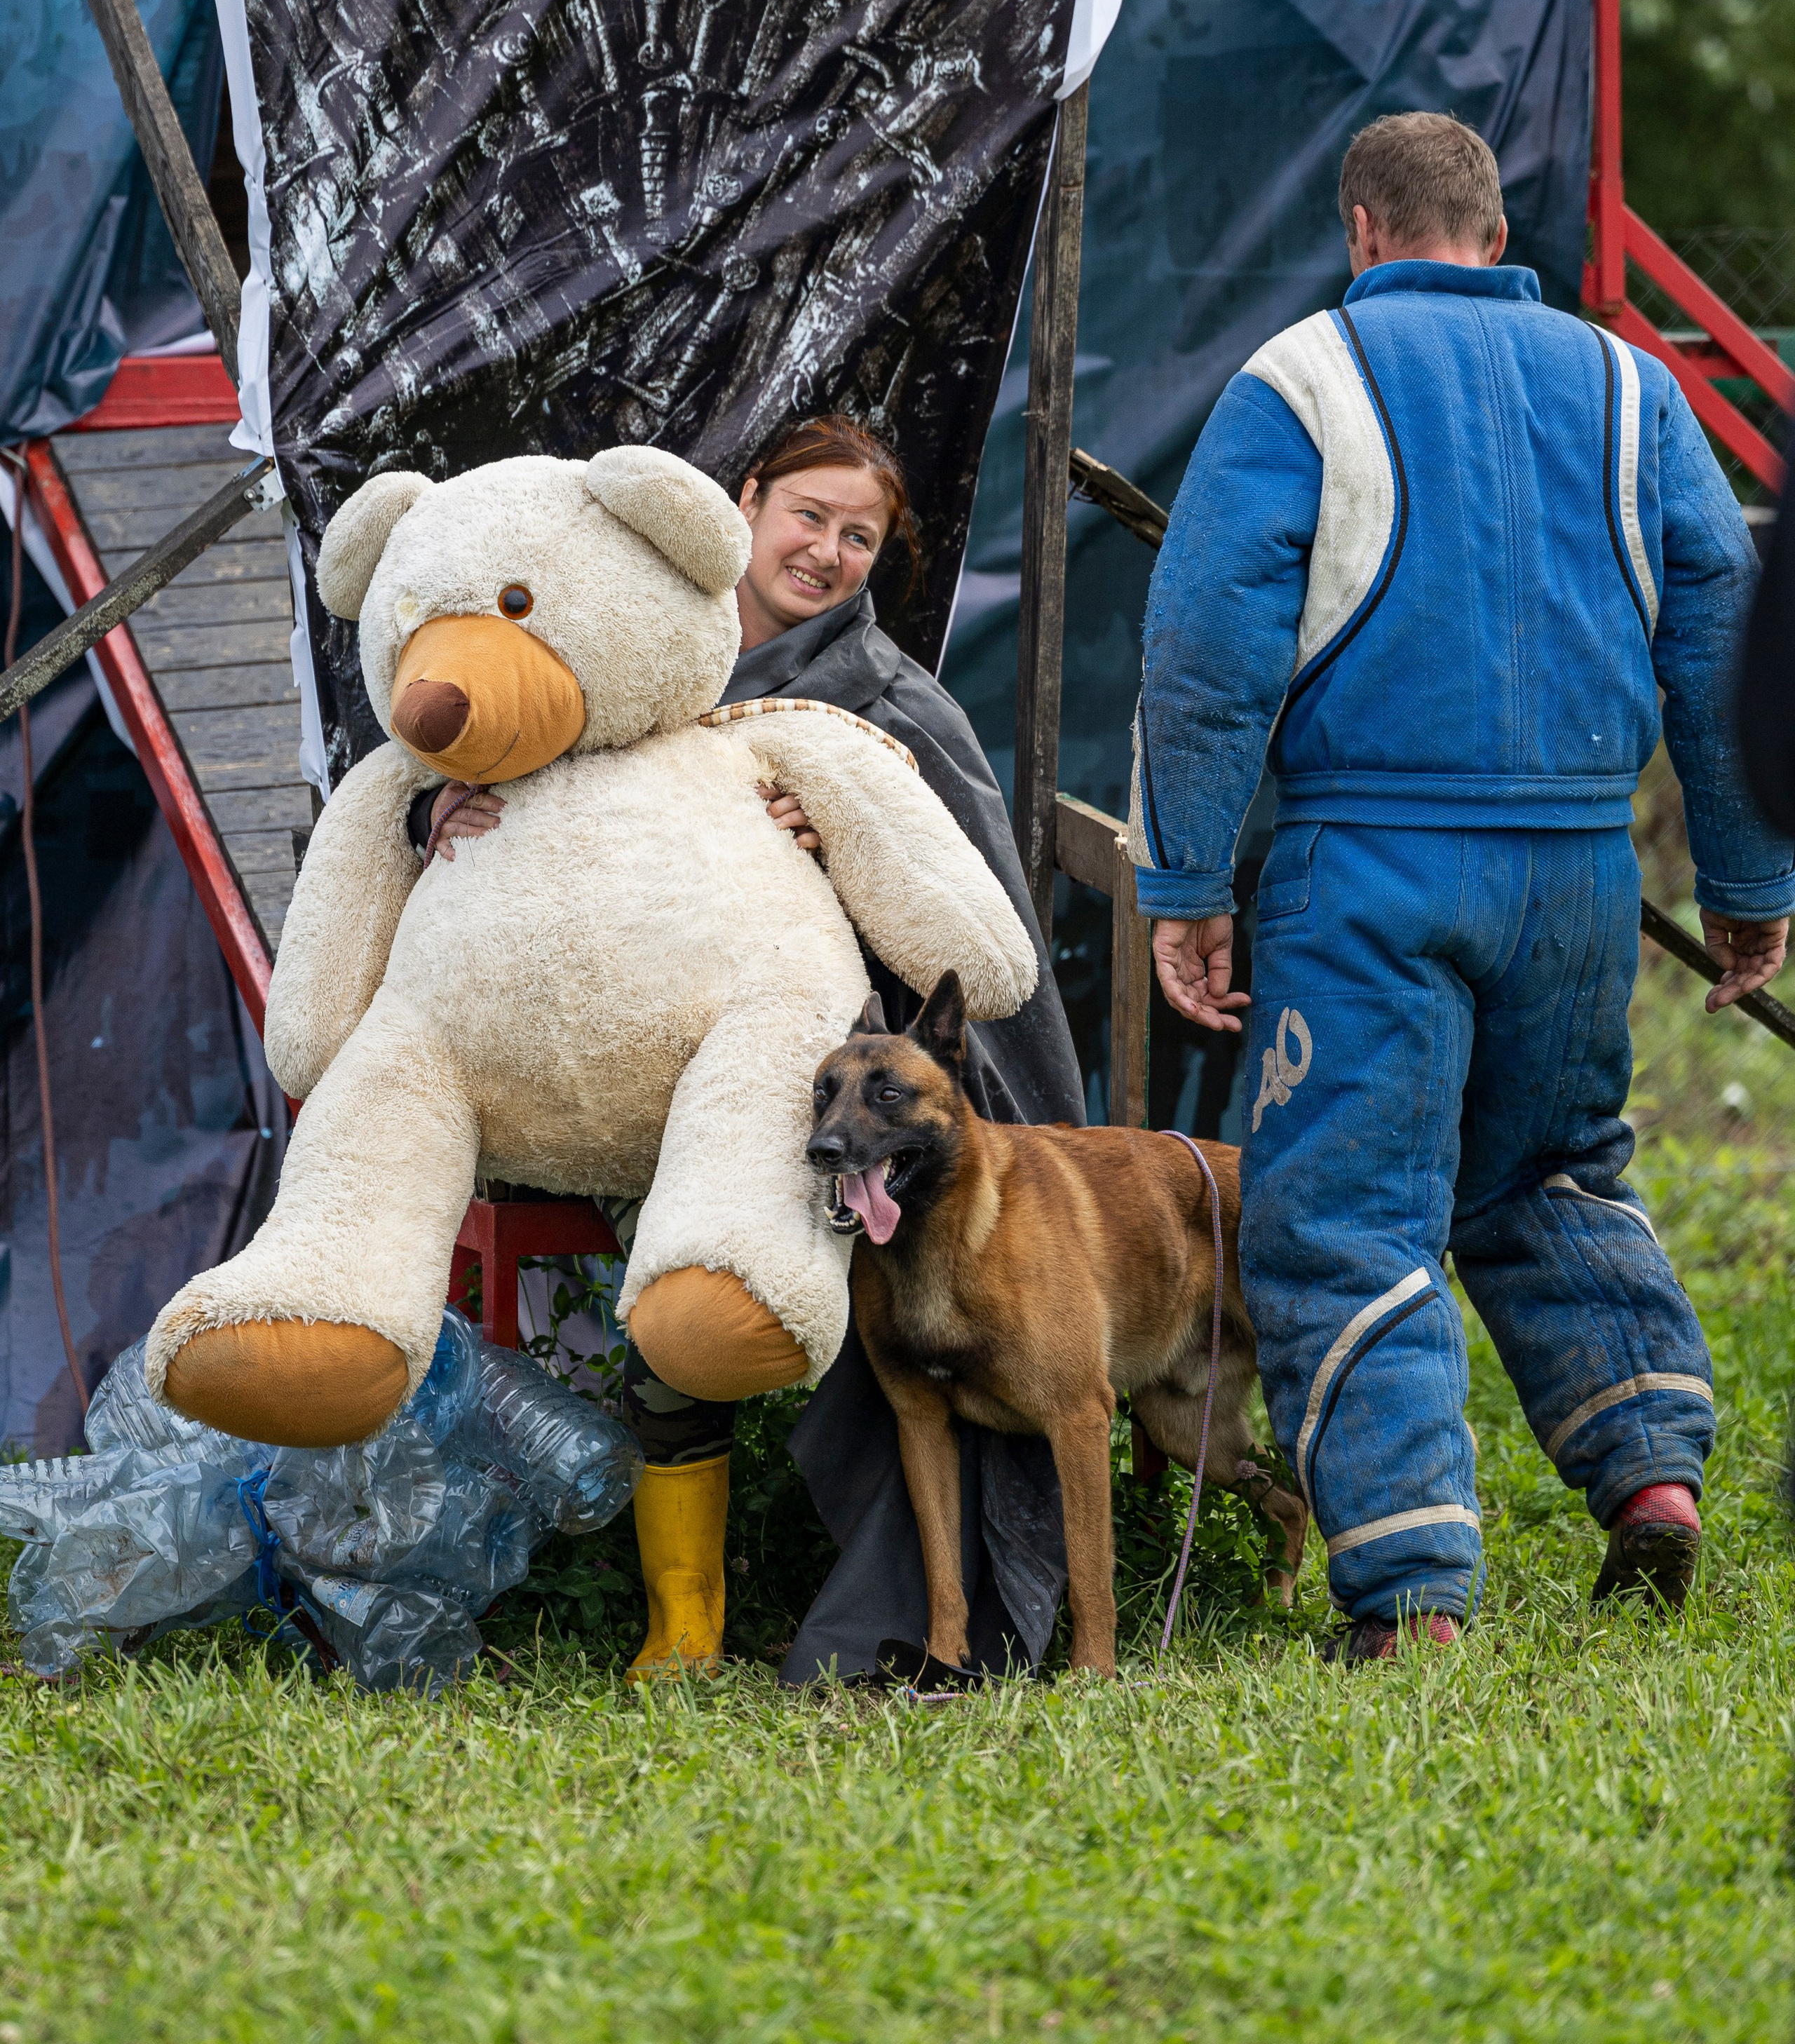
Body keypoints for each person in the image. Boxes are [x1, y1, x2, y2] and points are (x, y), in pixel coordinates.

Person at [1133, 112, 1794, 1659]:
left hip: (1368, 867)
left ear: (1360, 230)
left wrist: (1184, 882)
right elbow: (1721, 642)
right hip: (1575, 871)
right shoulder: (1636, 389)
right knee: (1550, 1173)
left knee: (1346, 1219)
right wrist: (1747, 881)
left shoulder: (1295, 383)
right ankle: (1647, 1477)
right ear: (1496, 240)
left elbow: (1205, 651)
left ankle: (1410, 1590)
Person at [413, 416, 1084, 1679]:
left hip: (828, 1099)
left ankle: (903, 1622)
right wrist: (430, 809)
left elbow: (965, 946)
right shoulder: (642, 647)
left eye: (860, 538)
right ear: (749, 501)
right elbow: (519, 746)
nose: (826, 553)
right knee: (674, 1301)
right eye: (809, 517)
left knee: (856, 1305)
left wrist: (842, 856)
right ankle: (683, 1627)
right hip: (634, 1082)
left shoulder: (886, 705)